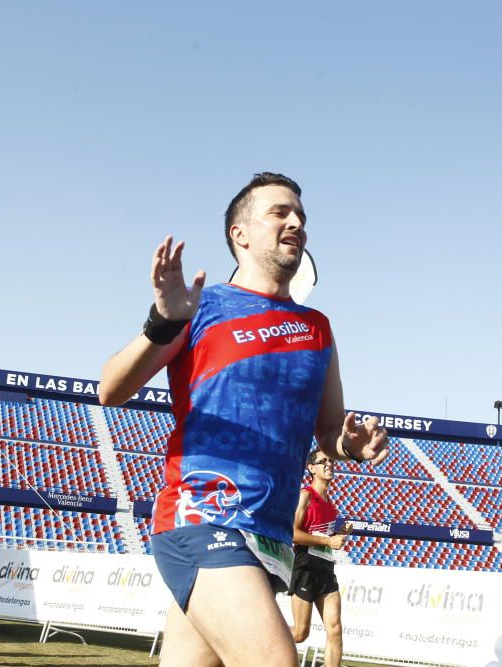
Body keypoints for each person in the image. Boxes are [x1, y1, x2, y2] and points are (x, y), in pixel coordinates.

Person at [98, 172, 388, 667]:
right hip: (205, 516)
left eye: (301, 216)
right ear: (241, 233)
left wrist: (350, 445)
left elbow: (329, 430)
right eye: (280, 212)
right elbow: (112, 388)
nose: (296, 222)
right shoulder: (200, 306)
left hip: (269, 535)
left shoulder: (318, 328)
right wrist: (163, 321)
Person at [289, 450, 352, 667]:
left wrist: (339, 534)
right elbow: (293, 533)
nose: (329, 464)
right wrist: (328, 542)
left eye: (331, 461)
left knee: (335, 628)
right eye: (322, 461)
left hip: (326, 568)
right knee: (299, 633)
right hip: (305, 565)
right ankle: (254, 644)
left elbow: (325, 538)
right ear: (311, 468)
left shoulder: (331, 505)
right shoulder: (305, 495)